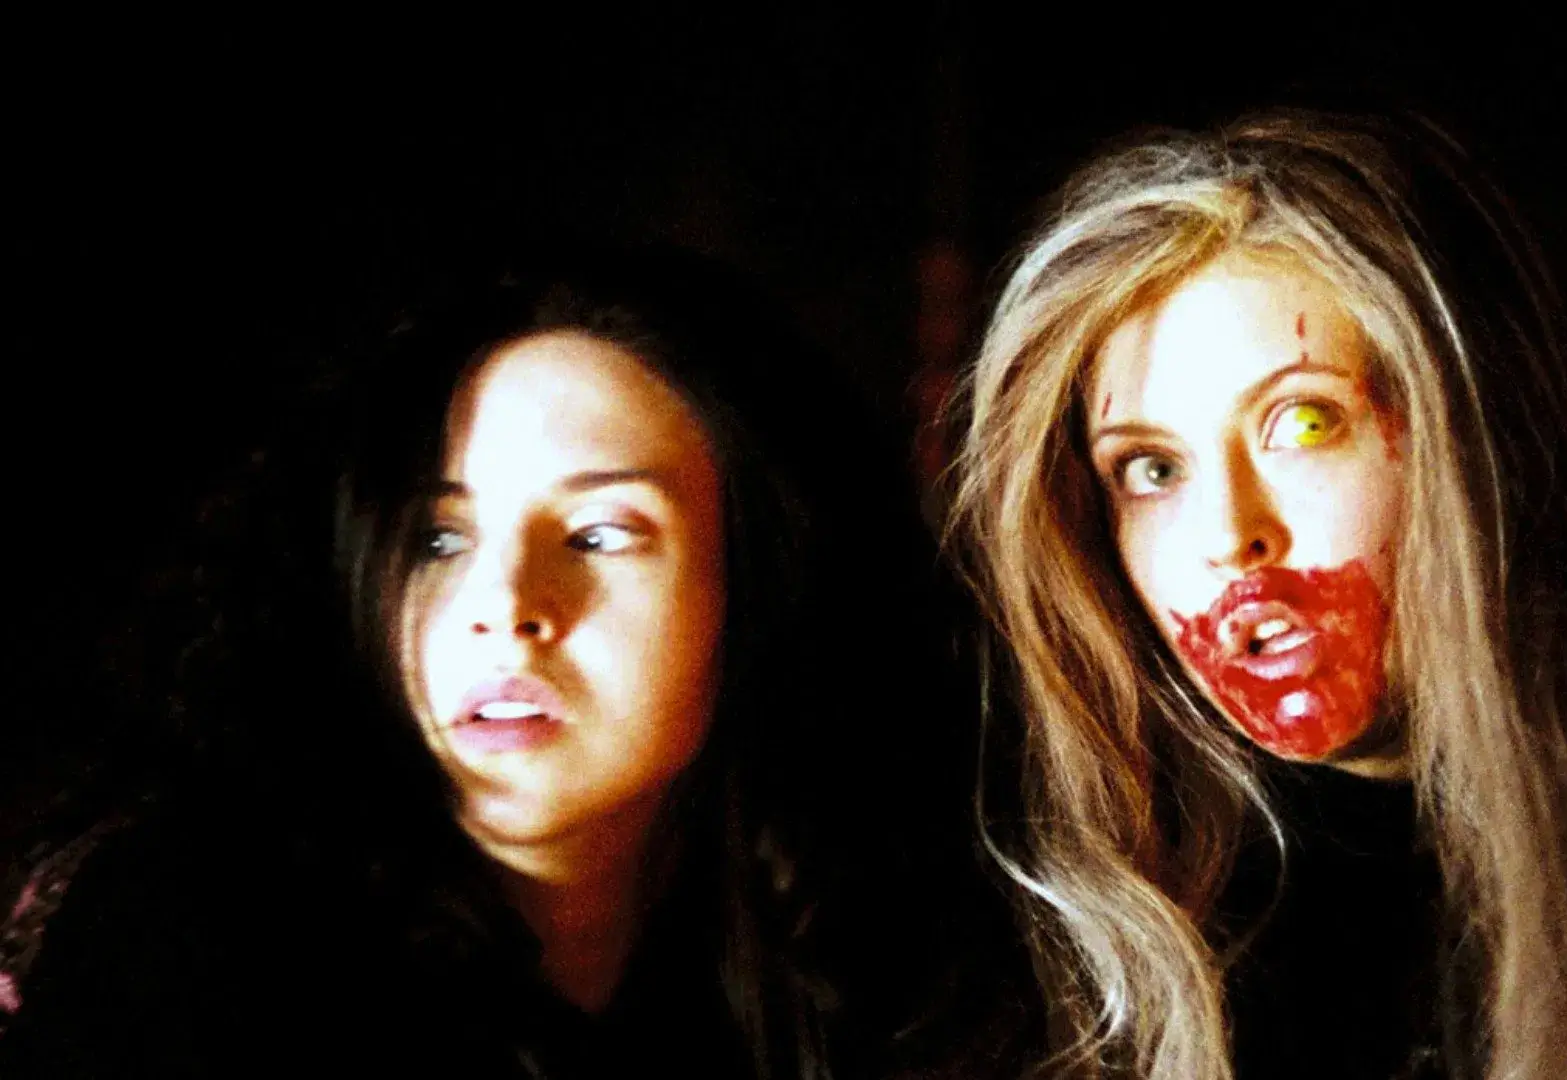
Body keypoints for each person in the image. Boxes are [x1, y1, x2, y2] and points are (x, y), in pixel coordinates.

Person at [2, 243, 1025, 1078]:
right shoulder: (174, 947)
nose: (505, 608)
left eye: (599, 535)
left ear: (759, 582)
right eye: (439, 539)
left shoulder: (881, 953)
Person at [948, 110, 1567, 1080]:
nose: (1230, 539)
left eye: (1304, 422)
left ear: (1475, 437)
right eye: (1152, 469)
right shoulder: (1092, 958)